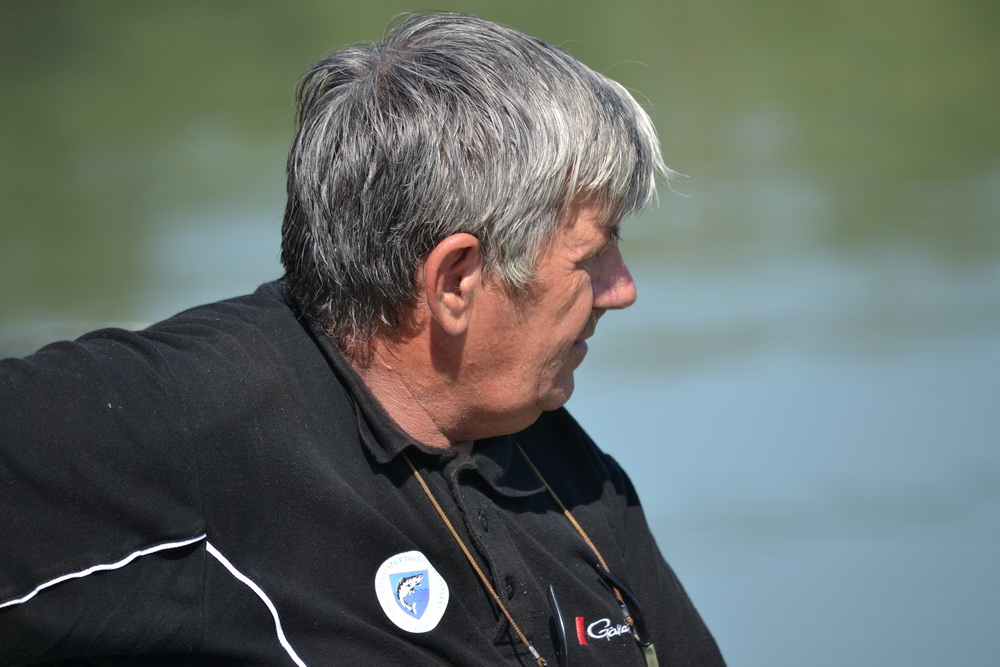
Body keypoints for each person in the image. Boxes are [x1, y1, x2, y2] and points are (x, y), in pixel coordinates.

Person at [0, 12, 725, 666]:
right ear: (454, 282)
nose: (621, 289)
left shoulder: (562, 462)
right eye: (593, 255)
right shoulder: (185, 420)